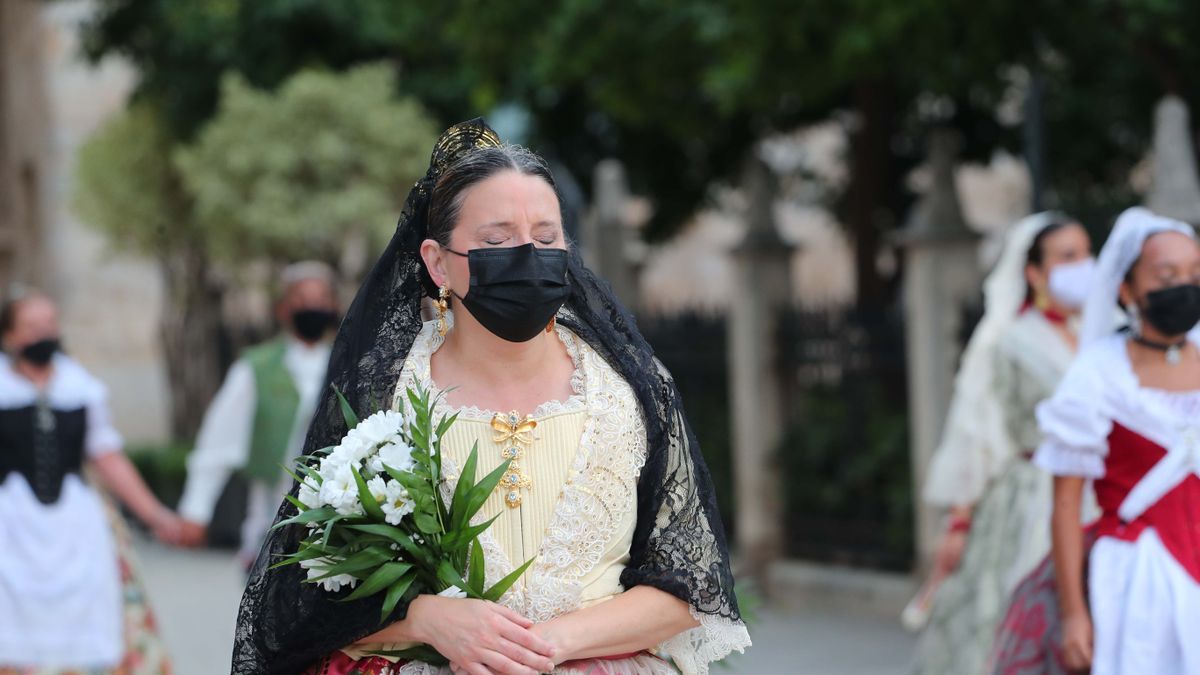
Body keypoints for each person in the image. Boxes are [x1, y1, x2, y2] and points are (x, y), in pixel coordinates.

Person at [232, 119, 751, 675]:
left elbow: (687, 587)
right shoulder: (385, 394)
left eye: (547, 237)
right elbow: (304, 595)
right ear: (436, 262)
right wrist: (426, 619)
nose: (527, 255)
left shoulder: (628, 389)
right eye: (497, 240)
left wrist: (545, 645)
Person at [990, 207, 1200, 674]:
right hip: (1137, 580)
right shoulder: (1098, 375)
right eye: (1166, 276)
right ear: (1127, 290)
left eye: (1194, 273)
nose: (1184, 286)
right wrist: (1073, 613)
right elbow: (1065, 506)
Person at [908, 213, 1096, 674]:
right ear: (1033, 273)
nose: (1083, 265)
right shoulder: (1007, 343)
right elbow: (980, 435)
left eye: (1086, 253)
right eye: (1067, 256)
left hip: (1106, 493)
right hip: (1033, 497)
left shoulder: (1107, 333)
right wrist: (959, 522)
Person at [0, 292, 181, 672]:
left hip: (75, 521)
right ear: (9, 336)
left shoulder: (79, 386)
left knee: (91, 603)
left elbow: (107, 457)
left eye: (50, 324)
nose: (45, 334)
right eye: (33, 327)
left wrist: (156, 516)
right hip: (10, 521)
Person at [177, 262, 339, 566]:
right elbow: (219, 438)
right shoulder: (256, 367)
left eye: (320, 299)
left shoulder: (346, 365)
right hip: (269, 516)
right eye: (301, 299)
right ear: (284, 308)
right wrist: (195, 510)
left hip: (335, 523)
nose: (312, 307)